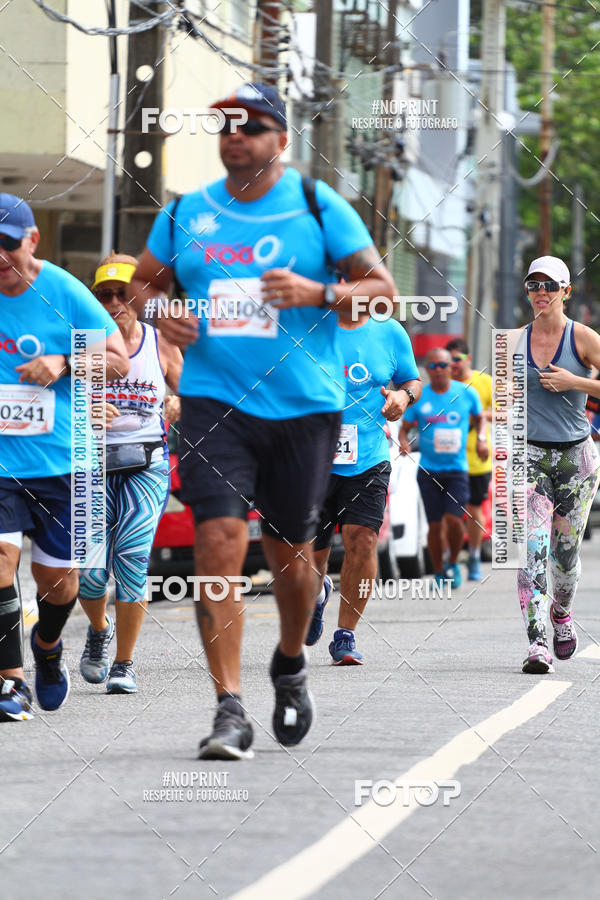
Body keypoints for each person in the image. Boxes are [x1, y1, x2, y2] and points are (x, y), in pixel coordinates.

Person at [129, 83, 397, 759]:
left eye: (251, 126)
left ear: (281, 138)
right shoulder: (188, 211)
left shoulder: (316, 205)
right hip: (216, 402)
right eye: (225, 125)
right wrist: (164, 314)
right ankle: (228, 706)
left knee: (292, 556)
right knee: (218, 536)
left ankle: (288, 661)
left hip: (305, 406)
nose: (234, 136)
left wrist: (320, 292)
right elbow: (141, 285)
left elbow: (383, 294)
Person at [0, 194, 129, 723]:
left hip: (66, 464)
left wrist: (65, 359)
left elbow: (118, 360)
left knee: (61, 585)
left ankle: (47, 646)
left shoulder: (64, 291)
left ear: (32, 240)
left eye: (7, 247)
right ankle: (11, 681)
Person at [77, 254, 182, 694]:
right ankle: (99, 629)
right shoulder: (81, 344)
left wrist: (179, 403)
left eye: (123, 292)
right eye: (105, 294)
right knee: (90, 575)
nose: (115, 301)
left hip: (146, 464)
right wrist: (85, 410)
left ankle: (124, 662)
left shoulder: (160, 344)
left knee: (133, 562)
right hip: (90, 466)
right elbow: (55, 404)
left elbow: (192, 391)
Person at [307, 305, 421, 664]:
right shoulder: (305, 326)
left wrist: (404, 397)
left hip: (369, 457)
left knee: (363, 539)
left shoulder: (388, 332)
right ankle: (316, 594)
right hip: (310, 460)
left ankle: (345, 635)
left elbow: (410, 380)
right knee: (311, 552)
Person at [518, 256, 600, 674]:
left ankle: (562, 614)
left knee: (564, 558)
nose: (541, 293)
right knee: (533, 550)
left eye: (550, 285)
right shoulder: (512, 342)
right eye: (533, 285)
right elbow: (505, 402)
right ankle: (536, 644)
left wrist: (576, 382)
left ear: (566, 291)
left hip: (577, 459)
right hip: (530, 456)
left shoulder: (583, 338)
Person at [399, 348, 488, 588]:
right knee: (435, 525)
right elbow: (405, 428)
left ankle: (453, 561)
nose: (438, 370)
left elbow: (480, 418)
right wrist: (404, 442)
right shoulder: (421, 398)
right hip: (428, 470)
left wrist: (481, 439)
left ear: (450, 367)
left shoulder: (466, 394)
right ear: (427, 370)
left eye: (442, 365)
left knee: (454, 519)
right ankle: (439, 571)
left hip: (457, 469)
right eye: (432, 366)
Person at [446, 338, 493, 580]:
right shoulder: (443, 385)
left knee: (475, 510)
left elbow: (508, 412)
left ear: (468, 359)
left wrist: (480, 413)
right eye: (448, 360)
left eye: (456, 359)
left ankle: (473, 555)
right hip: (448, 460)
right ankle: (451, 560)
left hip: (477, 458)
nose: (452, 365)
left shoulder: (484, 382)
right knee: (449, 513)